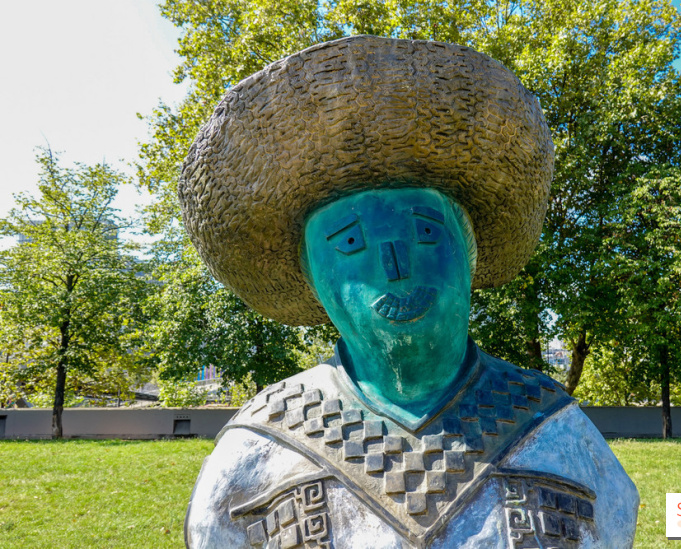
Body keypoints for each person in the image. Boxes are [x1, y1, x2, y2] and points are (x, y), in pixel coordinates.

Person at [179, 35, 638, 549]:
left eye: (425, 233)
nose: (395, 265)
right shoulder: (258, 450)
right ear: (312, 277)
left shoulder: (554, 429)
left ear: (469, 253)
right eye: (350, 243)